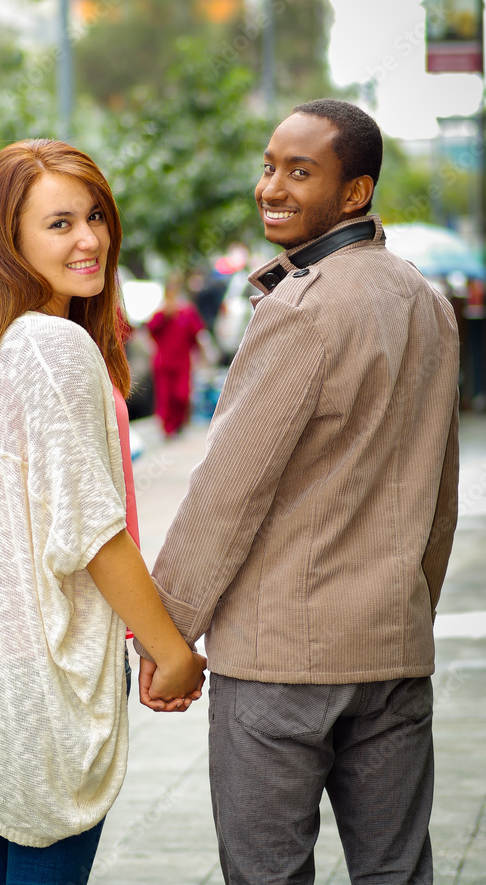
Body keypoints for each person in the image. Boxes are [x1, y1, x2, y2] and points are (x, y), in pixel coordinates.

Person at [136, 100, 460, 884]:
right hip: (392, 649)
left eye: (300, 171)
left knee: (268, 875)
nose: (271, 186)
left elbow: (228, 491)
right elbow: (440, 499)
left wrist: (166, 635)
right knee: (397, 872)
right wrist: (409, 609)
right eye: (271, 165)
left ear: (356, 192)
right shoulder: (428, 302)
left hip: (281, 663)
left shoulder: (303, 311)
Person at [0, 139, 206, 885]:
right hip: (26, 688)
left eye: (95, 216)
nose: (90, 239)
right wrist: (173, 650)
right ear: (7, 240)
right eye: (59, 223)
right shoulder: (48, 345)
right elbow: (93, 532)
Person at [147, 272, 205, 437]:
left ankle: (180, 422)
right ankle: (168, 428)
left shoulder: (187, 312)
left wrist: (200, 354)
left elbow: (196, 333)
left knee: (181, 395)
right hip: (164, 362)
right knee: (165, 397)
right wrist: (164, 315)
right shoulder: (161, 313)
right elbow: (151, 331)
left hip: (182, 363)